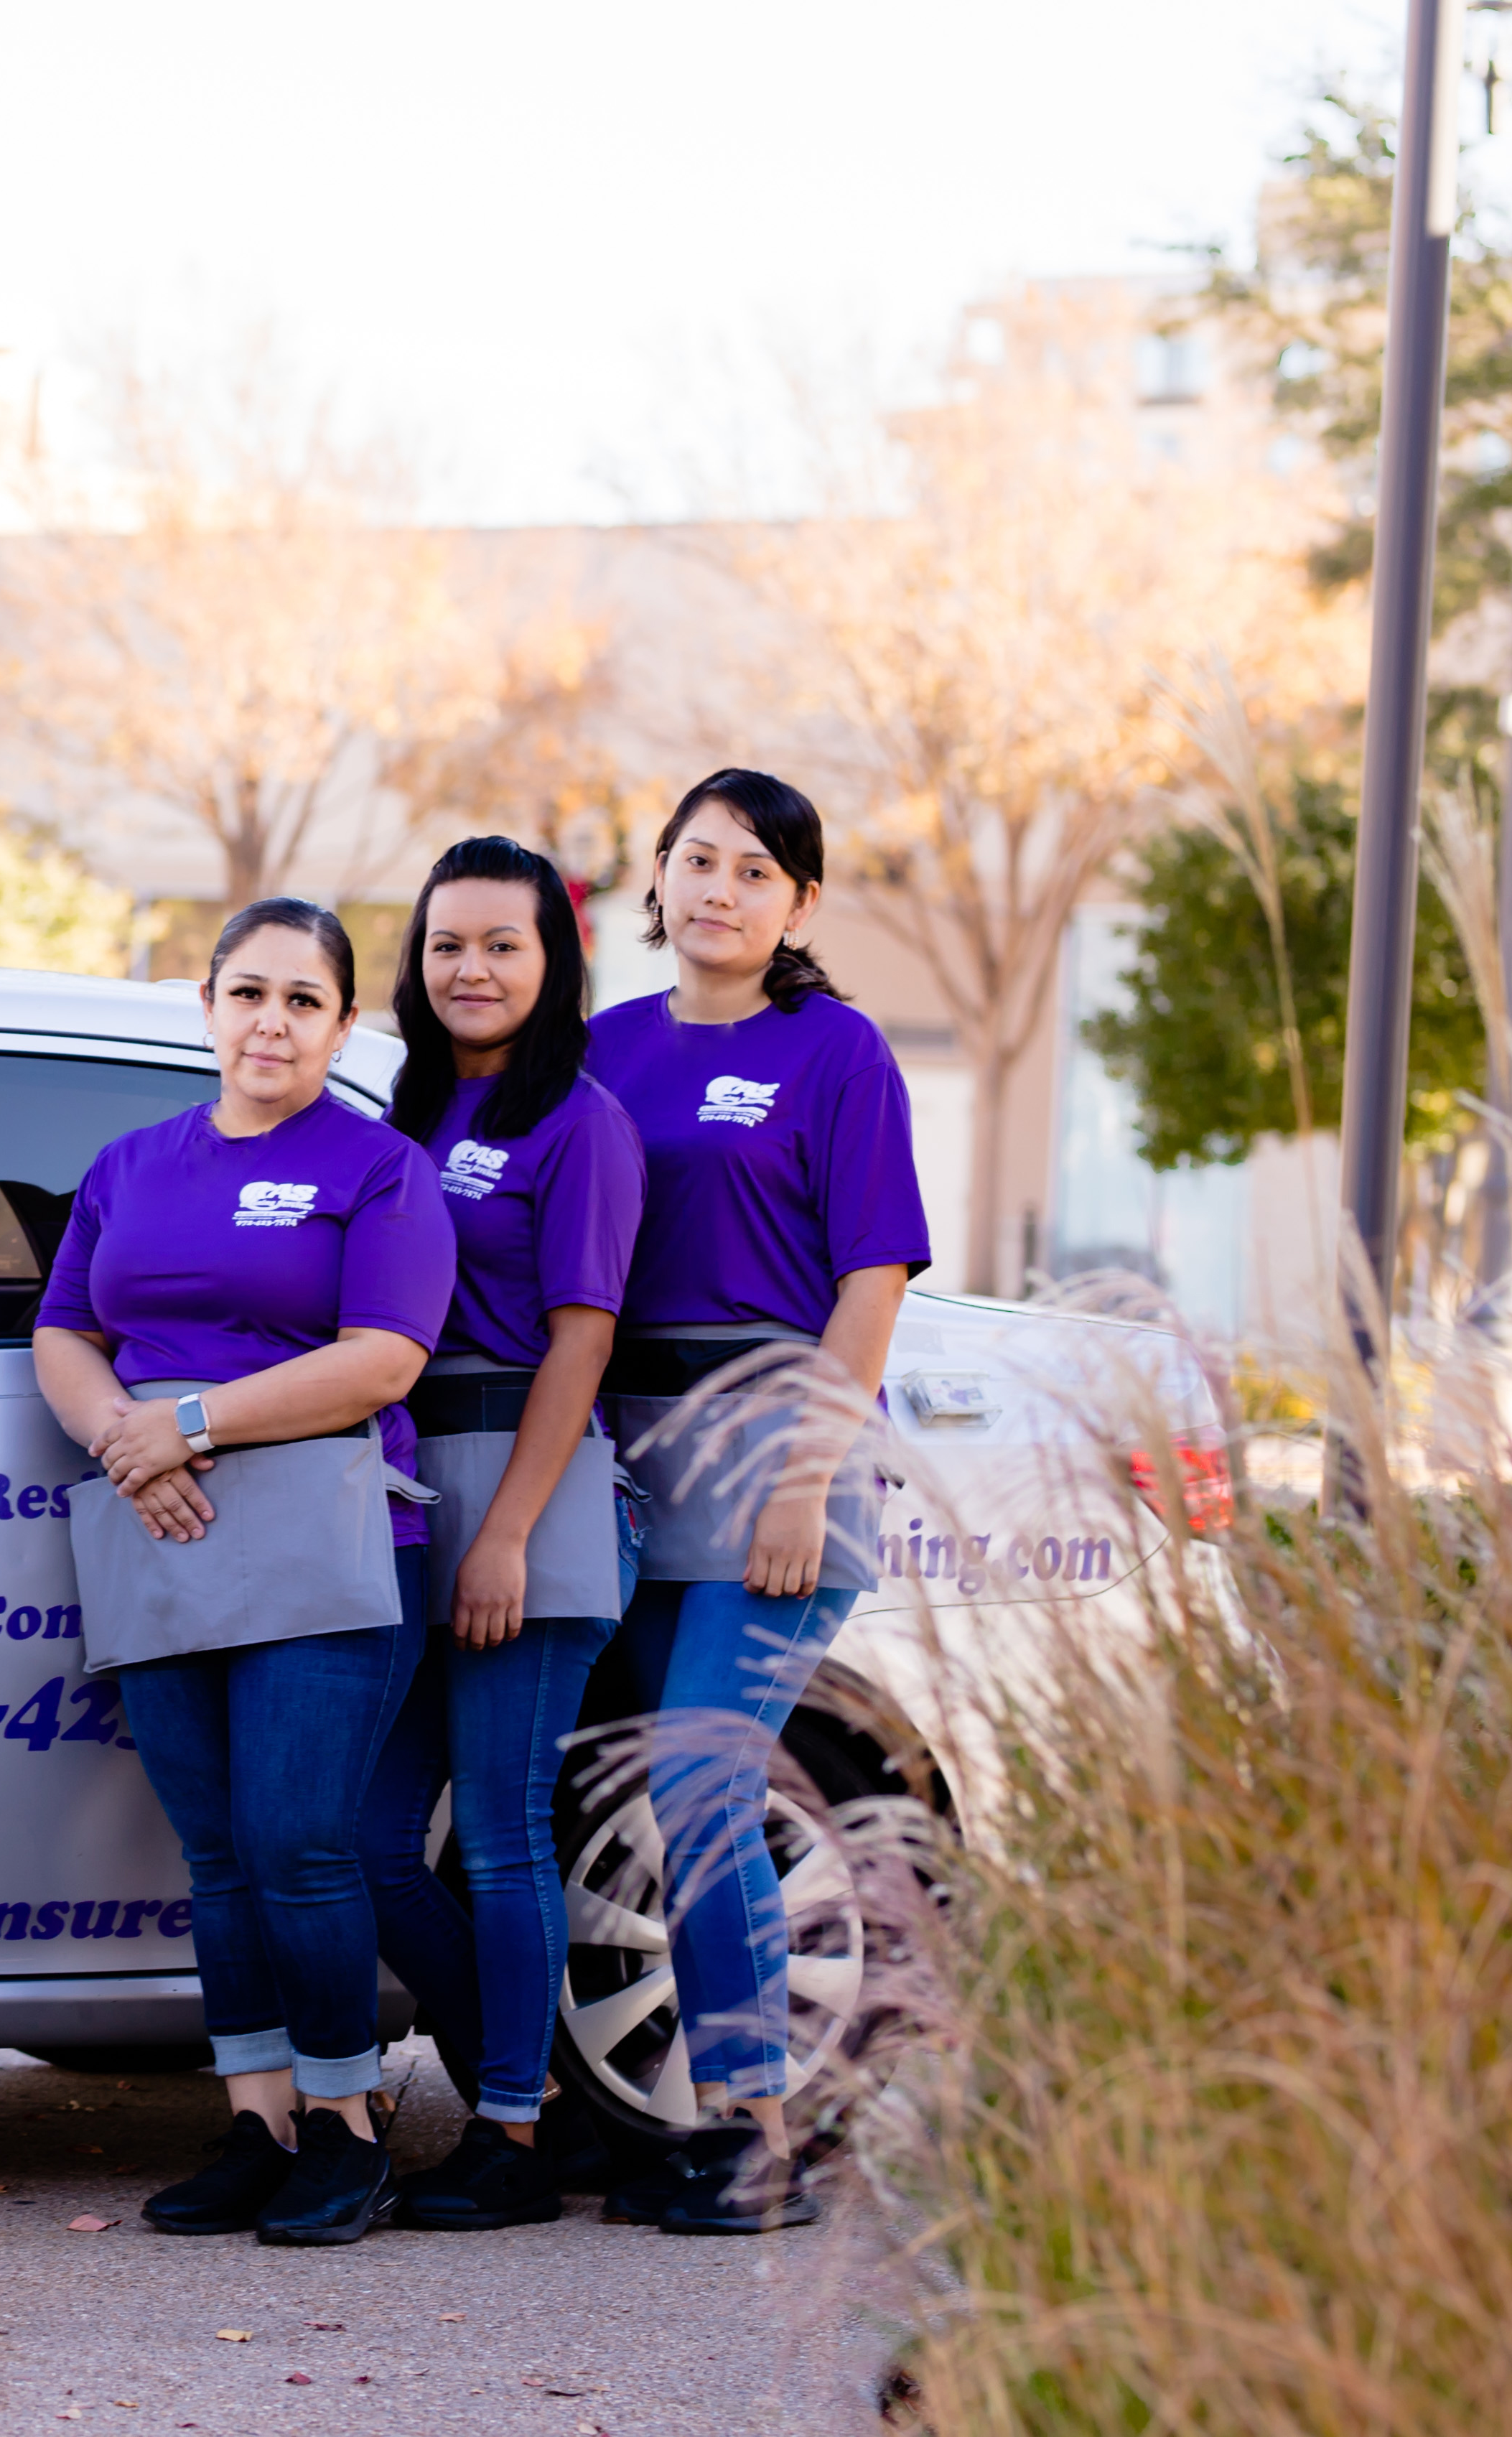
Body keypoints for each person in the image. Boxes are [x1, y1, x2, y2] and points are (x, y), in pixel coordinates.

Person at [37, 898, 455, 2247]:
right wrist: (126, 1441)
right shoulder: (131, 1164)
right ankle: (259, 2121)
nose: (271, 1021)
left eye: (303, 1000)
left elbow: (387, 1356)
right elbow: (66, 1330)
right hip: (164, 1534)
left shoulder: (381, 1167)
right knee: (217, 1855)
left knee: (300, 1843)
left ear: (343, 1025)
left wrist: (193, 1423)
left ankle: (347, 2126)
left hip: (330, 1548)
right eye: (248, 993)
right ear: (206, 1006)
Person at [583, 768, 928, 2235]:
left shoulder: (833, 1051)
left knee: (702, 1777)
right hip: (625, 1466)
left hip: (779, 1458)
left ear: (795, 903)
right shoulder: (598, 1050)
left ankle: (758, 2125)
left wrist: (800, 1472)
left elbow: (870, 1277)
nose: (717, 889)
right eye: (696, 860)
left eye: (752, 871)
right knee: (633, 1794)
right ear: (655, 877)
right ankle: (632, 2123)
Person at [355, 835, 646, 2233]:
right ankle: (529, 2089)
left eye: (500, 944)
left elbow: (582, 1336)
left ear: (551, 962)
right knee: (358, 1832)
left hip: (523, 1486)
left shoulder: (577, 1120)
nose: (468, 968)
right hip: (404, 1485)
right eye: (446, 943)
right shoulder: (398, 1107)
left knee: (503, 1833)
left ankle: (516, 2130)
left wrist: (506, 1531)